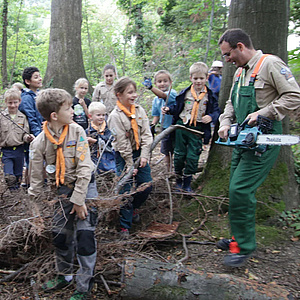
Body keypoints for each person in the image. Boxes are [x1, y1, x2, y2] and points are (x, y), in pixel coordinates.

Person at [217, 28, 300, 267]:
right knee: (235, 190)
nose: (227, 60)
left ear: (240, 46)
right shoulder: (239, 73)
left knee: (241, 190)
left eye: (228, 54)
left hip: (264, 139)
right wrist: (225, 123)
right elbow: (231, 105)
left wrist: (264, 112)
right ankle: (237, 237)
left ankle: (243, 247)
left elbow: (294, 95)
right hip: (243, 140)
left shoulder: (270, 64)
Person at [28, 88, 98, 299]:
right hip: (61, 191)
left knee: (85, 237)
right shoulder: (39, 142)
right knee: (60, 236)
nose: (73, 111)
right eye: (69, 108)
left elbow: (85, 167)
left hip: (85, 188)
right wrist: (36, 212)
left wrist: (79, 200)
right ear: (54, 116)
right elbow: (36, 181)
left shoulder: (78, 132)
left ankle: (84, 285)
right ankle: (64, 275)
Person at [162, 62, 220, 192]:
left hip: (197, 130)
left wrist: (211, 117)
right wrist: (168, 109)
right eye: (195, 78)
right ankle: (178, 182)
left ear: (206, 78)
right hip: (182, 127)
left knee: (193, 156)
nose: (198, 81)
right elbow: (177, 108)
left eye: (201, 78)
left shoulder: (210, 95)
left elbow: (216, 111)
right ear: (190, 78)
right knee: (179, 154)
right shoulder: (185, 93)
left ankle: (187, 183)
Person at [107, 77, 153, 238]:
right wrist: (129, 165)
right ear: (119, 94)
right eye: (129, 92)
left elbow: (147, 134)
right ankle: (124, 226)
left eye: (134, 92)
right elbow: (121, 142)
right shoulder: (115, 116)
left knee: (146, 186)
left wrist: (144, 156)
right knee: (125, 191)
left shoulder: (139, 110)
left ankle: (134, 209)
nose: (133, 96)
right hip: (122, 155)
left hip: (140, 152)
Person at [142, 70, 177, 172]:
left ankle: (179, 168)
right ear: (156, 83)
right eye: (159, 81)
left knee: (178, 149)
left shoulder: (172, 93)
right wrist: (152, 125)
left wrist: (150, 87)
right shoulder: (155, 100)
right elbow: (156, 115)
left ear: (170, 82)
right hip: (165, 128)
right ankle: (168, 170)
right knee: (167, 150)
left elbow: (163, 95)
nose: (162, 84)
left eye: (165, 81)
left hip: (175, 126)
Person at [0, 89, 34, 191]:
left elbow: (24, 133)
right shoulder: (1, 117)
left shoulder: (22, 117)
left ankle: (16, 195)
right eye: (10, 103)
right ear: (5, 102)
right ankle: (12, 192)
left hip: (19, 150)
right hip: (6, 151)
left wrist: (28, 138)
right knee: (9, 176)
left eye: (15, 102)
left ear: (19, 101)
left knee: (18, 175)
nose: (13, 105)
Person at [19, 66, 44, 188]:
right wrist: (39, 135)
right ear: (28, 81)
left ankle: (39, 183)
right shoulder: (26, 98)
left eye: (39, 76)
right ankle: (29, 185)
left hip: (41, 131)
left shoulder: (38, 95)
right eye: (36, 77)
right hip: (31, 135)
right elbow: (31, 118)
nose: (40, 79)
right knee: (31, 159)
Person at [86, 102, 116, 173]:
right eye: (98, 115)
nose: (102, 117)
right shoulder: (88, 131)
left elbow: (111, 142)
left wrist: (96, 141)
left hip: (110, 160)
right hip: (95, 161)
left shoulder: (109, 128)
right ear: (90, 116)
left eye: (103, 115)